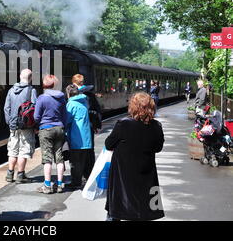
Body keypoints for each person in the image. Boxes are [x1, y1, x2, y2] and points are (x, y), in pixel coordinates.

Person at [104, 92, 165, 221]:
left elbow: (109, 144)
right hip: (146, 173)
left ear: (133, 106)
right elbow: (158, 148)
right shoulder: (156, 126)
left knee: (117, 210)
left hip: (123, 176)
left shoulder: (123, 124)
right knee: (145, 211)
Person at [34, 74, 67, 194]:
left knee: (47, 158)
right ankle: (59, 184)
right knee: (59, 157)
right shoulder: (62, 97)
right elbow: (65, 116)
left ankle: (47, 186)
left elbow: (36, 117)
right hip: (59, 129)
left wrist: (39, 124)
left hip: (46, 129)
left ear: (44, 84)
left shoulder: (42, 98)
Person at [4, 69, 37, 184]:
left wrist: (10, 122)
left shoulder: (11, 90)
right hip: (26, 126)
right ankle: (20, 175)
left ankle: (9, 173)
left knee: (13, 150)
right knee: (23, 150)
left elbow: (6, 108)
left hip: (13, 126)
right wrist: (34, 124)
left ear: (19, 76)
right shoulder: (31, 90)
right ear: (31, 78)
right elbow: (34, 109)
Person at [65, 84, 93, 190]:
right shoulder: (84, 101)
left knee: (75, 162)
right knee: (83, 161)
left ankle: (76, 182)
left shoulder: (71, 104)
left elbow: (67, 120)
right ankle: (84, 180)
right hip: (86, 137)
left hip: (76, 137)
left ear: (68, 93)